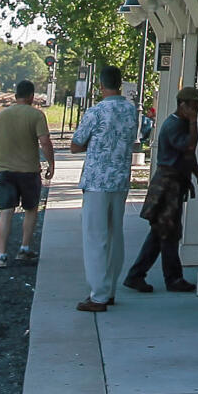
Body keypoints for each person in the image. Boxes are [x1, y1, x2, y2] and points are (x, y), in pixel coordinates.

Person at [69, 65, 139, 313]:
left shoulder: (96, 111)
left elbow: (76, 144)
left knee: (95, 237)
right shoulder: (131, 111)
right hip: (120, 180)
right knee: (114, 235)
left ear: (100, 86)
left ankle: (98, 294)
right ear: (119, 84)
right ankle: (109, 290)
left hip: (97, 180)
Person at [125, 84, 198, 294]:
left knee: (164, 231)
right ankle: (168, 278)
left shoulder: (181, 124)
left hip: (175, 183)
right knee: (166, 232)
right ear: (183, 105)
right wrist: (194, 122)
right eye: (195, 106)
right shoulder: (174, 126)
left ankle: (141, 275)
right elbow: (189, 147)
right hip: (167, 185)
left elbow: (189, 157)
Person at [0, 78, 55, 268]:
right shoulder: (36, 115)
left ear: (16, 96)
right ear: (32, 96)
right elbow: (45, 142)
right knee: (31, 209)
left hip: (4, 171)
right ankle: (24, 249)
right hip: (29, 172)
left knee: (6, 211)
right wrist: (51, 163)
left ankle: (1, 255)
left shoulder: (1, 116)